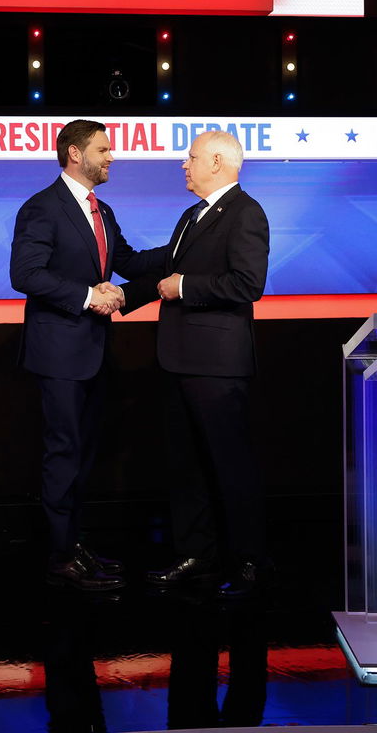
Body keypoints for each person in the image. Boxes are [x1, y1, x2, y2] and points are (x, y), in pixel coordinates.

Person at [10, 119, 164, 591]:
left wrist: (184, 245)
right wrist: (86, 296)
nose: (111, 156)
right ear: (75, 154)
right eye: (103, 149)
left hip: (94, 355)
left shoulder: (103, 211)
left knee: (83, 456)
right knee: (63, 455)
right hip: (58, 355)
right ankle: (59, 556)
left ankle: (75, 546)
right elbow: (25, 274)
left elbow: (131, 263)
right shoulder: (42, 208)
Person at [120, 130, 271, 598]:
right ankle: (196, 556)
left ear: (218, 161)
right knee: (185, 466)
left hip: (218, 366)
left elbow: (247, 284)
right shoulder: (192, 215)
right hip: (179, 360)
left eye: (190, 158)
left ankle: (250, 563)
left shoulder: (246, 213)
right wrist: (119, 287)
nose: (183, 165)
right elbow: (162, 268)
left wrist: (184, 287)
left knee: (229, 466)